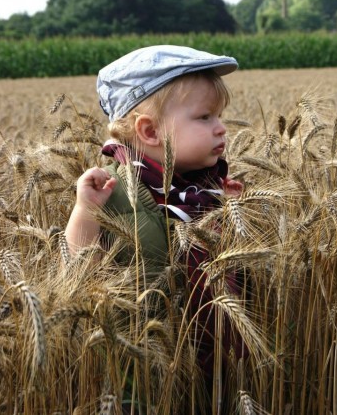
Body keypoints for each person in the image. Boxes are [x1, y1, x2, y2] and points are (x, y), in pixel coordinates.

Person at [65, 45, 245, 412]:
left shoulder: (204, 190)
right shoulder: (112, 194)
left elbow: (237, 269)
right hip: (140, 374)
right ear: (148, 130)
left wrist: (232, 210)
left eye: (219, 116)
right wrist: (84, 213)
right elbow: (79, 270)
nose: (221, 127)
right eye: (205, 117)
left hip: (212, 372)